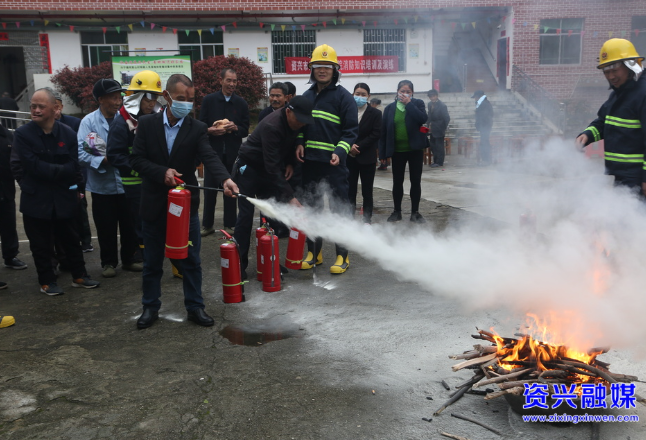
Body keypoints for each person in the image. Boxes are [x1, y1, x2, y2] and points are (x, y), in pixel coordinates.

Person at [130, 74, 239, 329]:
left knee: (191, 260)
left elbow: (209, 156)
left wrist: (225, 179)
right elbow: (136, 160)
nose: (186, 104)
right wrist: (162, 172)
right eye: (181, 99)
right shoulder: (146, 124)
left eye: (190, 100)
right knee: (153, 261)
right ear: (167, 97)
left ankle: (195, 307)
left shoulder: (196, 127)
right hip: (155, 203)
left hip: (186, 206)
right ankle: (150, 306)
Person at [12, 88, 100, 295]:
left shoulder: (68, 133)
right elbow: (30, 166)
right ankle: (47, 281)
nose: (35, 110)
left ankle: (80, 276)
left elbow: (74, 166)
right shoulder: (23, 135)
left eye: (41, 106)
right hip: (36, 199)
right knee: (40, 245)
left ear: (55, 108)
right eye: (33, 106)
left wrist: (76, 188)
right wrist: (57, 172)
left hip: (64, 197)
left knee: (72, 239)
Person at [233, 96, 314, 279]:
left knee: (270, 218)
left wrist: (291, 163)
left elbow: (288, 145)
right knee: (245, 218)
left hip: (268, 170)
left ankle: (270, 262)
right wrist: (290, 197)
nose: (302, 124)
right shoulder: (272, 125)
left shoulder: (294, 122)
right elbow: (272, 166)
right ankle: (239, 266)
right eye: (299, 119)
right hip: (249, 169)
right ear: (288, 111)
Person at [297, 44, 358, 274]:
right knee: (311, 209)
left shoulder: (344, 98)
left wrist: (340, 151)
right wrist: (299, 143)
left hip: (334, 166)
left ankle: (342, 256)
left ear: (335, 70)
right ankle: (314, 252)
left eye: (327, 66)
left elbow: (351, 131)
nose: (322, 70)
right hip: (310, 164)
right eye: (317, 66)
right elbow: (300, 125)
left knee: (338, 210)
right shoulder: (306, 96)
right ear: (311, 69)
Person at [78, 79, 142, 278]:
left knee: (129, 224)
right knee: (105, 227)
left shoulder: (128, 120)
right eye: (113, 98)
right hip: (102, 186)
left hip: (127, 184)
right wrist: (104, 159)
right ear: (101, 99)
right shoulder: (89, 122)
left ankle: (130, 259)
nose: (118, 102)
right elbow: (82, 153)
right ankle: (108, 263)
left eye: (120, 97)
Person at [576, 38, 646, 195]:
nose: (611, 76)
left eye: (615, 70)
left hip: (637, 177)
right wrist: (587, 135)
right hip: (621, 176)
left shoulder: (642, 94)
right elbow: (603, 122)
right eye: (607, 72)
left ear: (630, 65)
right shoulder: (619, 93)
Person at [199, 68, 250, 237]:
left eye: (234, 81)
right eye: (228, 80)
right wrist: (210, 130)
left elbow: (245, 129)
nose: (231, 84)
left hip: (232, 153)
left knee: (230, 190)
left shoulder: (241, 103)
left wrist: (235, 128)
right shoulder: (209, 100)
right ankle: (207, 225)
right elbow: (200, 126)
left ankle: (230, 224)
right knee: (210, 190)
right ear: (221, 80)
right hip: (213, 153)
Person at [379, 80, 428, 224]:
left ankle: (415, 212)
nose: (405, 94)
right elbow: (384, 132)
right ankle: (397, 211)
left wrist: (409, 104)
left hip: (415, 150)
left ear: (412, 93)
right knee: (397, 181)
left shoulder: (418, 104)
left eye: (408, 92)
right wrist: (383, 154)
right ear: (397, 92)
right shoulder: (390, 108)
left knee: (415, 181)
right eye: (402, 91)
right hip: (397, 151)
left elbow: (422, 118)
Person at [347, 83, 381, 225]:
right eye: (357, 94)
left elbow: (376, 134)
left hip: (367, 157)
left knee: (367, 191)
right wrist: (349, 146)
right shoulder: (346, 111)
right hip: (349, 157)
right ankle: (349, 219)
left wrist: (358, 146)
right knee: (350, 191)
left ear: (368, 96)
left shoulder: (375, 113)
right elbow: (341, 130)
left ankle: (367, 220)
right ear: (352, 94)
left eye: (363, 94)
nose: (359, 97)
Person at [0, 122, 27, 270]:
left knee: (8, 225)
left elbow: (15, 161)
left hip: (6, 188)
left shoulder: (7, 134)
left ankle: (10, 256)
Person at [426, 89, 450, 168]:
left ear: (437, 96)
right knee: (433, 145)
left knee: (439, 146)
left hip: (439, 128)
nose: (432, 98)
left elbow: (446, 118)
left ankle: (440, 162)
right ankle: (435, 160)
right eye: (430, 97)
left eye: (433, 96)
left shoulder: (442, 105)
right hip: (432, 128)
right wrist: (428, 125)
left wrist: (442, 127)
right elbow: (429, 116)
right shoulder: (430, 104)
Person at [471, 90, 493, 166]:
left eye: (475, 97)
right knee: (484, 142)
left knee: (484, 143)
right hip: (484, 126)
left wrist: (480, 125)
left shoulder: (484, 104)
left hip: (485, 126)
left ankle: (486, 160)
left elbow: (484, 116)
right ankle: (486, 159)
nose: (475, 99)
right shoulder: (484, 103)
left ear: (478, 97)